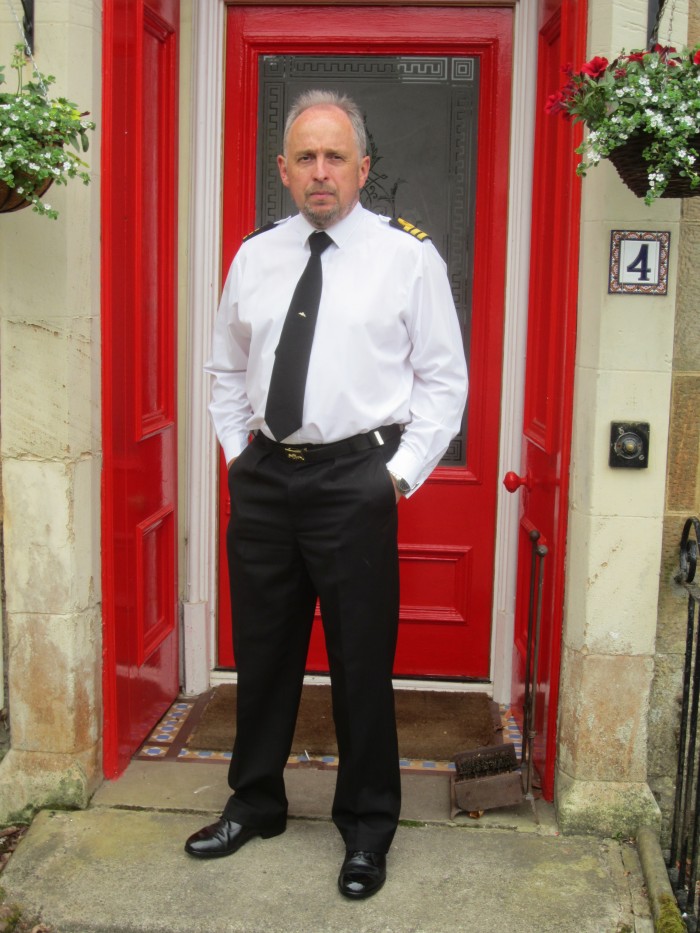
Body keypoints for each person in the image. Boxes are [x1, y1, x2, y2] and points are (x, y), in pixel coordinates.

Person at [185, 89, 468, 900]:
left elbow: (444, 382)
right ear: (282, 169)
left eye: (334, 156)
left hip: (355, 482)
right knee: (263, 653)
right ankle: (256, 802)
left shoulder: (407, 257)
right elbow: (226, 368)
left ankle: (368, 824)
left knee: (359, 661)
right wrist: (239, 455)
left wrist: (394, 477)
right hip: (267, 479)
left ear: (362, 167)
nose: (320, 171)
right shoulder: (255, 256)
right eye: (305, 157)